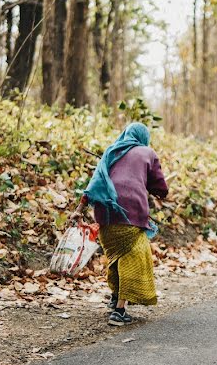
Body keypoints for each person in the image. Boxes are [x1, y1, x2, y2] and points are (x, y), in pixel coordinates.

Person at [72, 123, 169, 325]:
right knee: (134, 256)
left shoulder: (112, 151)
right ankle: (119, 311)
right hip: (130, 214)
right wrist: (161, 193)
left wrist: (79, 210)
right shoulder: (147, 152)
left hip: (105, 215)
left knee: (116, 257)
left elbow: (94, 183)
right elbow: (160, 186)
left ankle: (115, 297)